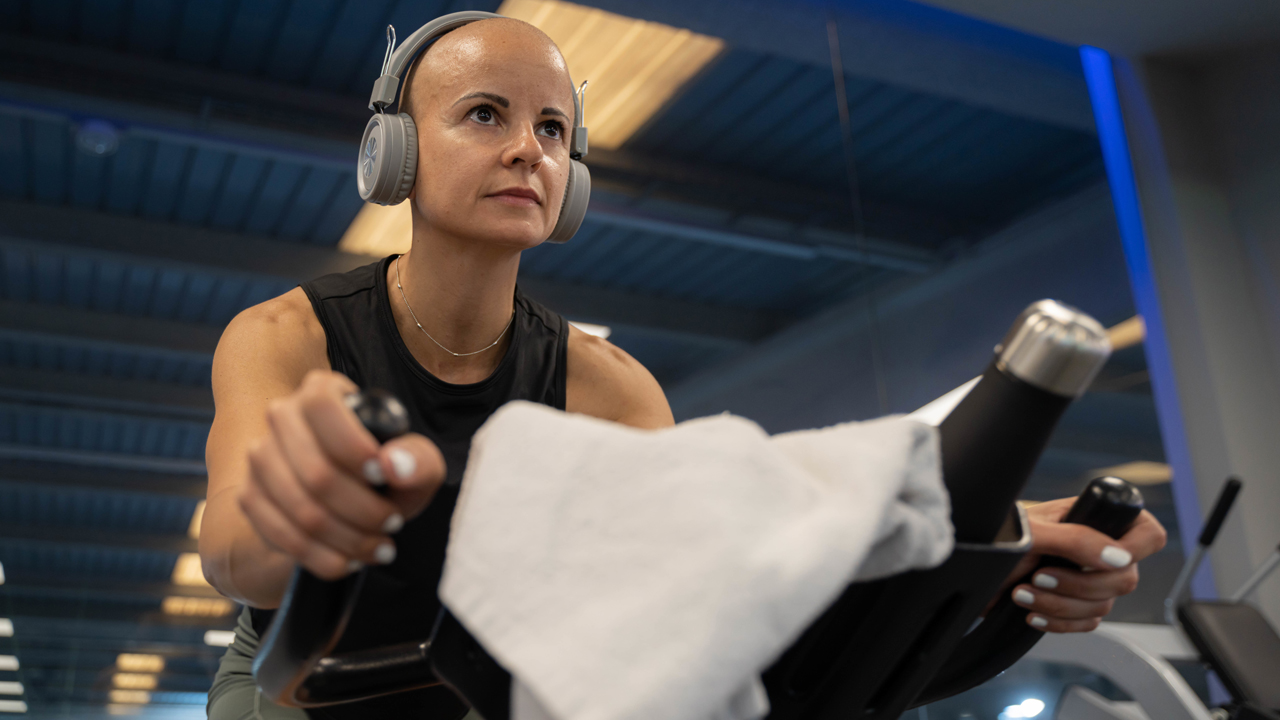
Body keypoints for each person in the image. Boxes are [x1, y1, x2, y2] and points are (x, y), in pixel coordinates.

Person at [199, 16, 1166, 720]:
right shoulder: (287, 334)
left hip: (490, 665)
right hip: (305, 669)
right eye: (485, 115)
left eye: (551, 130)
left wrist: (972, 536)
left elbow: (701, 565)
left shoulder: (605, 381)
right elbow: (234, 549)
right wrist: (300, 515)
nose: (527, 151)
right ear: (395, 151)